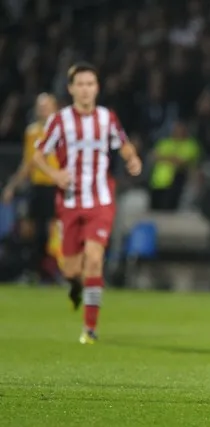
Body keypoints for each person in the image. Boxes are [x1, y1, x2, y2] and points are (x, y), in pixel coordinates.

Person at [32, 62, 142, 344]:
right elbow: (38, 155)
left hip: (101, 200)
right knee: (70, 269)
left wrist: (132, 158)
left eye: (90, 84)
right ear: (70, 89)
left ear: (97, 88)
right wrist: (55, 174)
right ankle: (75, 288)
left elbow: (123, 143)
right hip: (69, 202)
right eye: (80, 84)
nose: (85, 89)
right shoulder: (59, 121)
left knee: (94, 260)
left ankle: (89, 329)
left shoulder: (107, 118)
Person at [2, 93, 59, 283]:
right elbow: (27, 163)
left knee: (52, 231)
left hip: (55, 185)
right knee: (30, 230)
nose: (42, 109)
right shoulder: (32, 131)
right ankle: (33, 270)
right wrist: (12, 186)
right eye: (40, 106)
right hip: (36, 186)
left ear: (54, 108)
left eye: (46, 105)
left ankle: (52, 271)